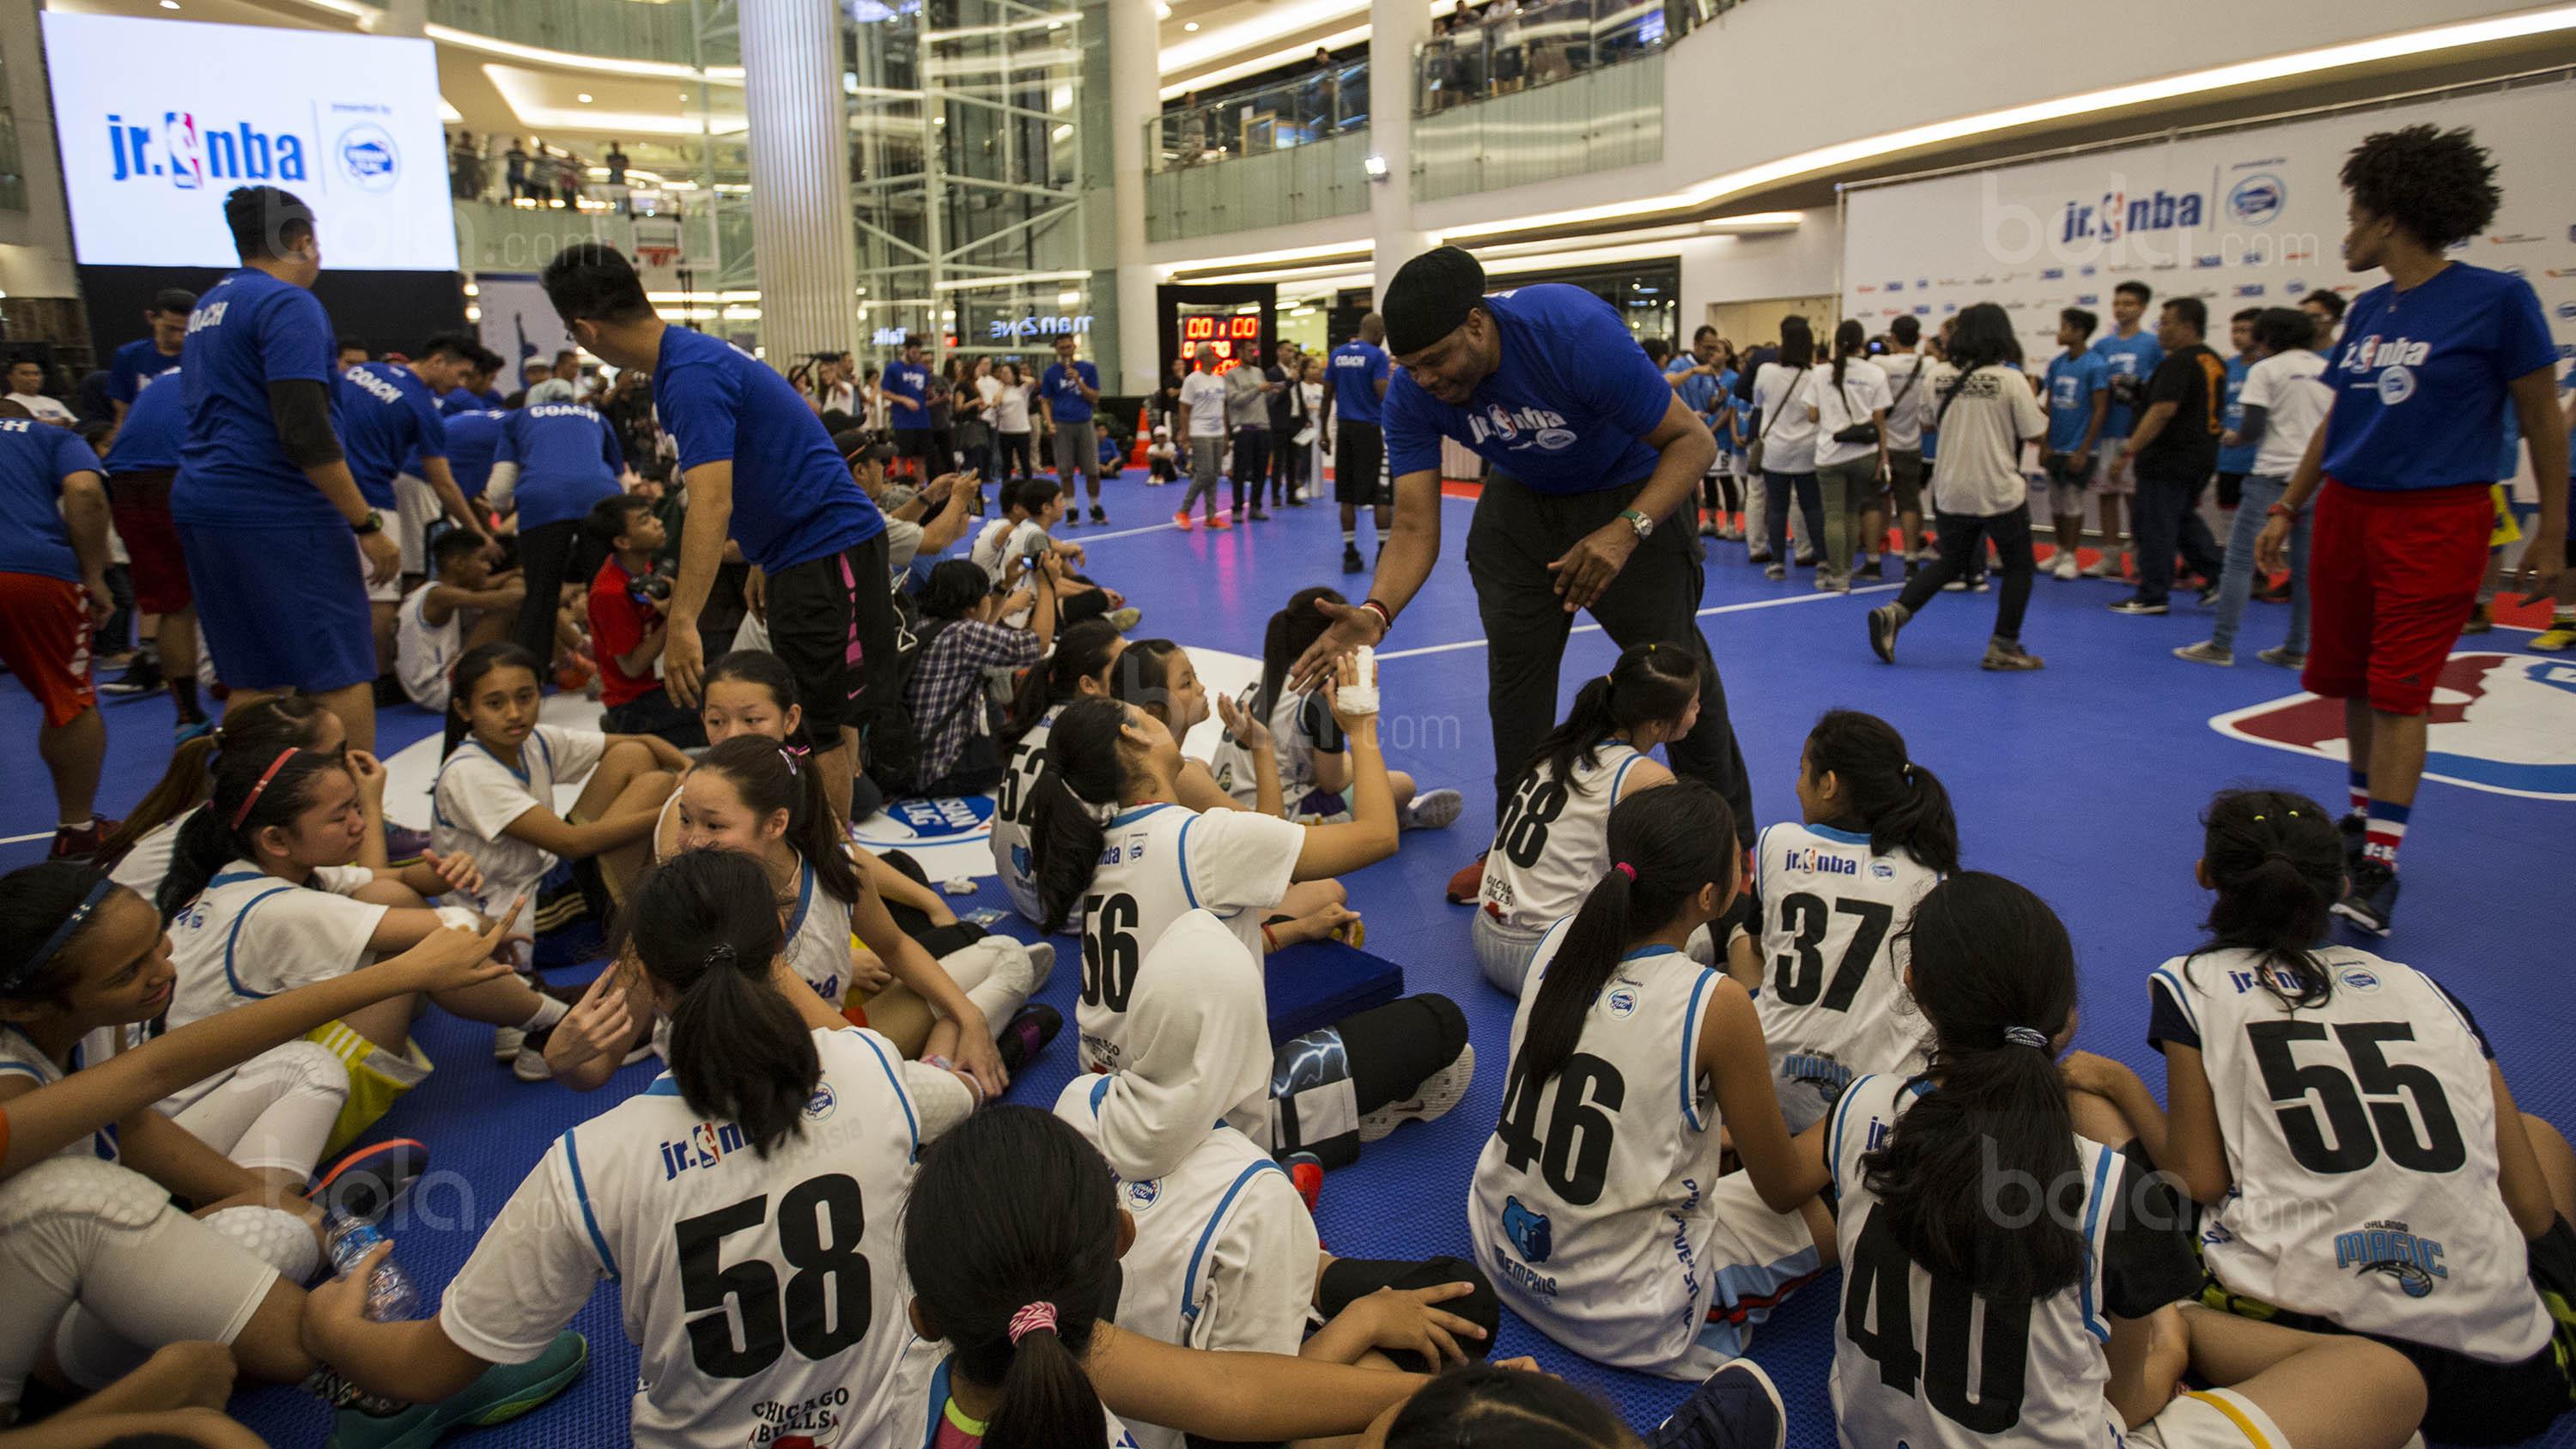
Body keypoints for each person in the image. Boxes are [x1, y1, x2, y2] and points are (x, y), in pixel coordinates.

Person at [295, 848, 969, 1448]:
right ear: (780, 953)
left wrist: (332, 1330)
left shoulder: (593, 1162)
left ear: (643, 974)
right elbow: (957, 1098)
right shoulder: (869, 1067)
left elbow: (427, 1368)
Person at [1827, 870, 2427, 1449]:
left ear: (1913, 985)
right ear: (2066, 1020)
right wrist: (2169, 1347)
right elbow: (2127, 1402)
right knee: (2390, 1382)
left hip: (1864, 1431)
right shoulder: (2107, 1186)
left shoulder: (1860, 1110)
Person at [2057, 788, 2576, 1446]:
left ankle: (2176, 1325)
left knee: (2089, 1104)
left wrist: (2123, 1081)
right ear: (2339, 886)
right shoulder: (2427, 987)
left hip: (2298, 1341)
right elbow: (2531, 1212)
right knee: (2538, 1133)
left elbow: (2199, 1179)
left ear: (2206, 877)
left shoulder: (2192, 982)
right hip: (2507, 1379)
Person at [0, 901, 588, 1445]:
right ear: (24, 1005)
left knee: (307, 1070)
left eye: (159, 944)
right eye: (129, 971)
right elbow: (157, 1072)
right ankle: (378, 1390)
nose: (165, 966)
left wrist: (259, 1196)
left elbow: (137, 1129)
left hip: (69, 1257)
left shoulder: (90, 1017)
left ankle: (265, 1229)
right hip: (41, 1352)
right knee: (202, 1223)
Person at [1293, 246, 1756, 901]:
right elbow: (1418, 526)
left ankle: (1728, 846)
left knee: (1674, 678)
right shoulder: (1412, 395)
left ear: (1478, 325)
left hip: (1633, 492)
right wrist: (1376, 612)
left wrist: (1625, 531)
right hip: (1522, 508)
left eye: (1436, 361)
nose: (1425, 380)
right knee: (1517, 688)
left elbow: (1694, 443)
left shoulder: (1573, 334)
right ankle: (1518, 841)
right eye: (1411, 366)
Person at [2252, 124, 2565, 939]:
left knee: (2400, 691)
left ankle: (2382, 863)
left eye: (2354, 212)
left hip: (2437, 520)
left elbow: (2541, 417)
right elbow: (2339, 422)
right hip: (2349, 513)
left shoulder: (2499, 299)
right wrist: (2289, 505)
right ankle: (2360, 821)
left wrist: (2553, 530)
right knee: (2352, 680)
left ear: (2388, 218)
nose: (2346, 229)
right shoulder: (2365, 308)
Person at [1469, 781, 1830, 1379]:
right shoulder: (1719, 1003)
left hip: (1498, 1249)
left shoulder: (1560, 940)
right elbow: (1783, 1186)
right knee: (1842, 1191)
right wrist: (1852, 1121)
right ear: (1711, 896)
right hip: (1623, 1315)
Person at [1026, 685, 1473, 1166]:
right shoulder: (1202, 839)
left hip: (1106, 1090)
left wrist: (1296, 930)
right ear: (1131, 734)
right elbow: (1380, 835)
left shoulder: (1098, 845)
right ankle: (1299, 1130)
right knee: (1441, 1021)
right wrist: (1362, 725)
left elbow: (1176, 958)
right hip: (1194, 1120)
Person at [543, 241, 895, 826]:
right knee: (823, 719)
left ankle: (832, 878)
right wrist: (764, 555)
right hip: (805, 550)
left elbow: (712, 499)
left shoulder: (688, 376)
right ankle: (835, 855)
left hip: (827, 550)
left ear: (583, 329)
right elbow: (783, 449)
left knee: (820, 726)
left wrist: (682, 621)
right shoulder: (692, 358)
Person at [901, 1104, 1481, 1449]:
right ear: (1122, 1239)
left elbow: (1228, 1389)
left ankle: (1326, 1280)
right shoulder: (1065, 1353)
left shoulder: (917, 1407)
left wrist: (1438, 1388)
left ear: (924, 1320)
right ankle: (1322, 1273)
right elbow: (1226, 1394)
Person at [155, 743, 562, 1125]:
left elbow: (393, 877)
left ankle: (522, 1008)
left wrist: (447, 870)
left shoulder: (244, 870)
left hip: (211, 1097)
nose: (359, 824)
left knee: (383, 896)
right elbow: (451, 928)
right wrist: (490, 925)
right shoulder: (279, 909)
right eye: (339, 816)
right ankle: (553, 1020)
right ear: (275, 839)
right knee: (410, 952)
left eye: (357, 806)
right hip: (237, 1120)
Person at [172, 187, 392, 755]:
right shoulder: (288, 304)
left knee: (253, 676)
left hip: (206, 501)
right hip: (277, 506)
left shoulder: (207, 307)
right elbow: (304, 431)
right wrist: (365, 524)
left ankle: (244, 813)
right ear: (303, 242)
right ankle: (362, 816)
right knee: (338, 670)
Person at [1722, 709, 1953, 1131]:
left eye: (1802, 770)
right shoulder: (1932, 873)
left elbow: (1761, 944)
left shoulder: (1780, 843)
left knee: (1742, 935)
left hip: (1769, 1092)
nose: (1796, 783)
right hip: (1879, 1108)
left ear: (1828, 785)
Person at [1472, 641, 1697, 996]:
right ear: (1658, 724)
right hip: (1542, 959)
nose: (1699, 708)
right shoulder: (1646, 777)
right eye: (1694, 703)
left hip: (1485, 934)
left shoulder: (1562, 744)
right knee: (1698, 930)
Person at [433, 641, 683, 946]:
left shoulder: (533, 740)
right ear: (463, 709)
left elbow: (642, 741)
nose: (514, 713)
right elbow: (572, 843)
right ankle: (637, 917)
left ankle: (641, 899)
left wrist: (692, 769)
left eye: (525, 697)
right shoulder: (468, 773)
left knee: (632, 755)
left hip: (545, 873)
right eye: (495, 704)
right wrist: (677, 810)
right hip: (516, 916)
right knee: (656, 787)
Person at [1866, 302, 2050, 670]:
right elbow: (2036, 431)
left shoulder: (1938, 375)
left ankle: (1897, 613)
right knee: (2019, 567)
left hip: (1950, 486)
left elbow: (1927, 423)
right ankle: (2004, 645)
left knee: (1951, 560)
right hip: (1997, 487)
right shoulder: (2010, 379)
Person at [1212, 586, 1461, 829]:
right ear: (1333, 638)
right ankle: (1401, 817)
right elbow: (1332, 782)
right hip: (1276, 816)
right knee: (1402, 785)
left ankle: (1400, 813)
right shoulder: (1319, 697)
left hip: (1225, 804)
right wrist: (1354, 761)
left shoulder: (1266, 678)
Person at [2178, 306, 2331, 669]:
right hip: (2316, 480)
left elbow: (2254, 429)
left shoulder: (2264, 369)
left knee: (2239, 562)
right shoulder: (2327, 368)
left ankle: (2221, 644)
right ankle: (2297, 648)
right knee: (2306, 569)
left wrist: (2232, 439)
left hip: (2271, 479)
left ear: (2268, 336)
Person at [101, 695, 352, 906]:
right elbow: (352, 907)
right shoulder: (241, 843)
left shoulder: (233, 815)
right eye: (336, 755)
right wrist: (370, 808)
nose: (349, 762)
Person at [338, 336, 491, 678]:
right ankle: (379, 679)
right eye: (460, 374)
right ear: (437, 362)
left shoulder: (360, 373)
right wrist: (478, 531)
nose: (460, 385)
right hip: (374, 501)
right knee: (382, 596)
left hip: (327, 492)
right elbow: (445, 485)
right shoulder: (424, 409)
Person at [0, 409, 115, 858]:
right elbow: (85, 492)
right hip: (29, 573)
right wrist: (94, 576)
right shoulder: (48, 436)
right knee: (68, 698)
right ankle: (79, 828)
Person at [99, 356, 206, 738]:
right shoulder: (235, 368)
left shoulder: (163, 379)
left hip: (126, 481)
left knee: (174, 606)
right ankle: (263, 698)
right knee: (248, 588)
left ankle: (189, 719)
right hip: (184, 476)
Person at [993, 621, 1126, 925]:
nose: (1133, 675)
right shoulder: (1094, 737)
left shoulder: (1038, 722)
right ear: (1088, 685)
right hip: (1074, 909)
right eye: (1121, 669)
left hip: (1023, 896)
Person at [2108, 297, 2228, 615]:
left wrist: (2129, 449)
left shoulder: (2180, 362)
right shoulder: (2212, 360)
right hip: (2199, 455)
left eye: (2166, 323)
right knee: (2182, 520)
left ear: (2187, 326)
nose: (2160, 329)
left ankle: (2152, 594)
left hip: (2170, 458)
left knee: (2154, 525)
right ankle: (2221, 577)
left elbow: (2163, 410)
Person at [488, 391, 625, 666]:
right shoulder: (596, 416)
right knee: (609, 591)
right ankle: (620, 674)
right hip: (602, 496)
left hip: (542, 499)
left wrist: (503, 511)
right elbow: (620, 475)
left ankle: (530, 680)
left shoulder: (519, 417)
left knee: (539, 595)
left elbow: (499, 489)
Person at [906, 556, 1060, 797]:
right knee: (1036, 750)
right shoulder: (964, 635)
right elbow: (1038, 644)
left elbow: (983, 625)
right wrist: (1047, 585)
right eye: (985, 593)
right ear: (971, 605)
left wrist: (1003, 586)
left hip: (914, 761)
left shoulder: (924, 624)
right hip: (943, 772)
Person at [582, 494, 704, 747]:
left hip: (660, 683)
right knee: (720, 717)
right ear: (622, 541)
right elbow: (632, 666)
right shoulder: (610, 592)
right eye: (645, 521)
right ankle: (625, 727)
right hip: (636, 702)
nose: (658, 523)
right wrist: (674, 616)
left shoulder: (640, 568)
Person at [394, 528, 523, 713]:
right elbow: (505, 599)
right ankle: (567, 661)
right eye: (482, 560)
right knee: (505, 611)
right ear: (459, 563)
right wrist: (535, 585)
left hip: (431, 686)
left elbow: (488, 585)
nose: (488, 567)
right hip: (441, 689)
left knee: (517, 594)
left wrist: (513, 575)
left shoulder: (434, 591)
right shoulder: (439, 595)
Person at [2087, 278, 2164, 579]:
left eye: (2129, 303)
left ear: (2143, 307)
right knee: (2107, 494)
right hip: (2107, 430)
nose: (2122, 309)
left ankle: (2143, 559)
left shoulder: (2152, 344)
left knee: (2136, 499)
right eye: (2118, 303)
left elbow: (2158, 389)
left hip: (2136, 432)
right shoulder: (2102, 346)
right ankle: (2111, 557)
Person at [1808, 318, 1891, 592]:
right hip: (1865, 453)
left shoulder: (1820, 373)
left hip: (1830, 453)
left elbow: (1812, 415)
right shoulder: (1875, 372)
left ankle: (1838, 574)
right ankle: (1846, 570)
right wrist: (1884, 457)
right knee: (1853, 511)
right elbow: (1880, 420)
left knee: (1833, 514)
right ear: (1861, 343)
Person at [1750, 317, 1823, 581]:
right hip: (1809, 449)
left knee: (1778, 508)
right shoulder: (1816, 375)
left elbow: (1758, 402)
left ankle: (1778, 562)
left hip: (1776, 450)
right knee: (1812, 507)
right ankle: (1823, 562)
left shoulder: (1767, 371)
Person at [2040, 306, 2111, 581]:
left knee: (2072, 501)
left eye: (2065, 327)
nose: (2060, 332)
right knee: (2056, 501)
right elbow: (2048, 406)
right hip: (2056, 444)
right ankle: (2059, 549)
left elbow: (2100, 409)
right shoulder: (2057, 363)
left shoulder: (2096, 364)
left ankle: (2071, 554)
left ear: (2080, 332)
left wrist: (2084, 448)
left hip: (2079, 446)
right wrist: (2045, 443)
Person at [1325, 313, 1395, 573]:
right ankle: (1382, 552)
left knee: (1346, 496)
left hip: (1344, 429)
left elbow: (1326, 394)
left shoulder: (1337, 354)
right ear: (1377, 331)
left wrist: (1323, 431)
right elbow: (1381, 391)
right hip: (1369, 430)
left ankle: (1350, 554)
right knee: (1380, 493)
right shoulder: (1377, 356)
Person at [1869, 316, 1930, 576]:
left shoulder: (1879, 363)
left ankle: (1873, 560)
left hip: (1880, 443)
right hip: (1912, 443)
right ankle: (1911, 559)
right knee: (1909, 503)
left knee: (1872, 501)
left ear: (1893, 337)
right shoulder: (1930, 364)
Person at [1041, 334, 1108, 524]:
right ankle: (1071, 509)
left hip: (1084, 422)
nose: (1066, 351)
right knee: (1065, 470)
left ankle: (1095, 506)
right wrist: (1049, 422)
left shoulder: (1088, 368)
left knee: (1092, 469)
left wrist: (1079, 381)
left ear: (1074, 348)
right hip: (1062, 424)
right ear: (1057, 350)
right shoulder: (1050, 373)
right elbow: (1045, 401)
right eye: (1062, 348)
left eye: (1069, 347)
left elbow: (1094, 397)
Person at [106, 288, 194, 424]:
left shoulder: (203, 358)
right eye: (171, 328)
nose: (179, 337)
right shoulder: (128, 356)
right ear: (151, 317)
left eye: (185, 330)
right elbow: (122, 414)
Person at [1174, 343, 1231, 530]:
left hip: (1217, 432)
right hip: (1200, 431)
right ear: (1204, 357)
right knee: (1205, 472)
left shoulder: (1219, 380)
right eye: (1213, 353)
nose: (1217, 356)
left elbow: (1223, 409)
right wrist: (1186, 436)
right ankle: (1183, 511)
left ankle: (1211, 516)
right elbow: (1183, 409)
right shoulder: (1192, 380)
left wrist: (1226, 436)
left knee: (1214, 474)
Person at [2215, 307, 2263, 524]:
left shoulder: (2267, 367)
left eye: (2245, 330)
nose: (2238, 336)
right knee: (2229, 519)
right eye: (2235, 330)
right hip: (2228, 458)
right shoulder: (2225, 367)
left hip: (2258, 460)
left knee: (2257, 521)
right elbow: (2216, 407)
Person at [884, 334, 935, 479]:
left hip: (922, 420)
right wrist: (904, 400)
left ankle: (921, 489)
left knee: (920, 458)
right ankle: (902, 488)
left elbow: (925, 393)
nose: (917, 356)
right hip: (903, 421)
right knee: (902, 457)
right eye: (914, 352)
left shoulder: (922, 370)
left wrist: (930, 393)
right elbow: (885, 392)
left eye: (919, 352)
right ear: (905, 350)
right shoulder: (893, 369)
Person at [991, 360, 1036, 478]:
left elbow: (1032, 381)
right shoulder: (999, 390)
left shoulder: (1022, 390)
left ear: (1014, 374)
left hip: (1022, 431)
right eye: (1002, 373)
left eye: (1007, 373)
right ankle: (1006, 490)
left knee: (1025, 462)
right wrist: (1002, 386)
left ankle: (1028, 487)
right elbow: (996, 403)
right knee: (1006, 464)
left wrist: (1018, 375)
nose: (1004, 375)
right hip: (1005, 432)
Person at [4, 361, 73, 426]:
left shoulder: (54, 402)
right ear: (10, 378)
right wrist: (60, 423)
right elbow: (26, 426)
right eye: (25, 374)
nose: (33, 378)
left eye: (36, 374)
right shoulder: (8, 403)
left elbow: (73, 423)